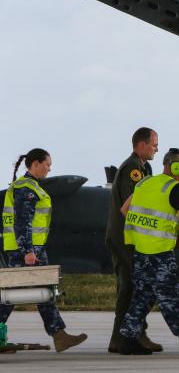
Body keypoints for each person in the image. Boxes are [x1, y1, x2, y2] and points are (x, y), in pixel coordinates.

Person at [117, 148, 179, 355]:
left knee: (142, 296)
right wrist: (176, 234)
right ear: (177, 166)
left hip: (141, 250)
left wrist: (147, 230)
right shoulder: (177, 188)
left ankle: (126, 339)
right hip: (160, 252)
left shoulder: (145, 182)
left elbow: (125, 210)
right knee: (171, 296)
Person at [1, 149, 88, 352]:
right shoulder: (26, 189)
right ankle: (59, 335)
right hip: (26, 251)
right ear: (36, 163)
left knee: (45, 293)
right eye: (48, 164)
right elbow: (22, 223)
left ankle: (59, 335)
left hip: (32, 250)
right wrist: (28, 251)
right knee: (11, 295)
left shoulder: (29, 187)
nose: (50, 169)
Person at [106, 127, 162, 353]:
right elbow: (132, 207)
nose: (156, 148)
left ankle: (129, 336)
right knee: (134, 287)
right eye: (154, 144)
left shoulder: (140, 167)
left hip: (123, 237)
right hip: (126, 238)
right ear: (141, 144)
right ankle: (128, 337)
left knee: (130, 287)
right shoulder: (133, 169)